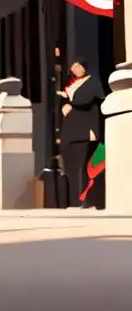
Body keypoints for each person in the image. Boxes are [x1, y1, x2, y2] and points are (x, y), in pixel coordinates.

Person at [59, 60, 105, 208]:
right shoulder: (72, 83)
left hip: (85, 131)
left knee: (87, 165)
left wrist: (69, 103)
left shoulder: (92, 82)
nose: (76, 70)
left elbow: (85, 100)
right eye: (73, 68)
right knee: (72, 165)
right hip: (72, 132)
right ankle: (75, 199)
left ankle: (89, 199)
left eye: (78, 66)